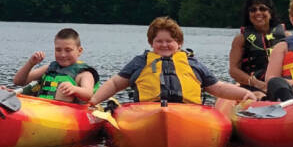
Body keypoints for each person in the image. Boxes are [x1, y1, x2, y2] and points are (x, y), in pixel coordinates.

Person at [89, 16, 255, 106]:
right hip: (147, 112)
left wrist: (245, 93)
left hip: (188, 112)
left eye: (169, 41)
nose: (164, 45)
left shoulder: (192, 63)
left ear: (179, 43)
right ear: (151, 43)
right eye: (159, 41)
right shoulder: (140, 62)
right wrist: (94, 101)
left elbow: (218, 88)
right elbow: (116, 84)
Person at [12, 28, 99, 103]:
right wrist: (30, 63)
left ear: (79, 51)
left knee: (64, 87)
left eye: (68, 50)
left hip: (65, 114)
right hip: (40, 108)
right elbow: (18, 81)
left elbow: (88, 94)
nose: (62, 55)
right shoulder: (49, 68)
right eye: (58, 50)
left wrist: (74, 89)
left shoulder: (84, 74)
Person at [228, 0, 287, 96]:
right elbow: (233, 70)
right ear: (248, 14)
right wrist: (258, 84)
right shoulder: (240, 39)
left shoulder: (286, 37)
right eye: (253, 10)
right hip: (252, 87)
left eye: (263, 9)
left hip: (281, 85)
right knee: (260, 95)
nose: (258, 13)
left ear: (270, 13)